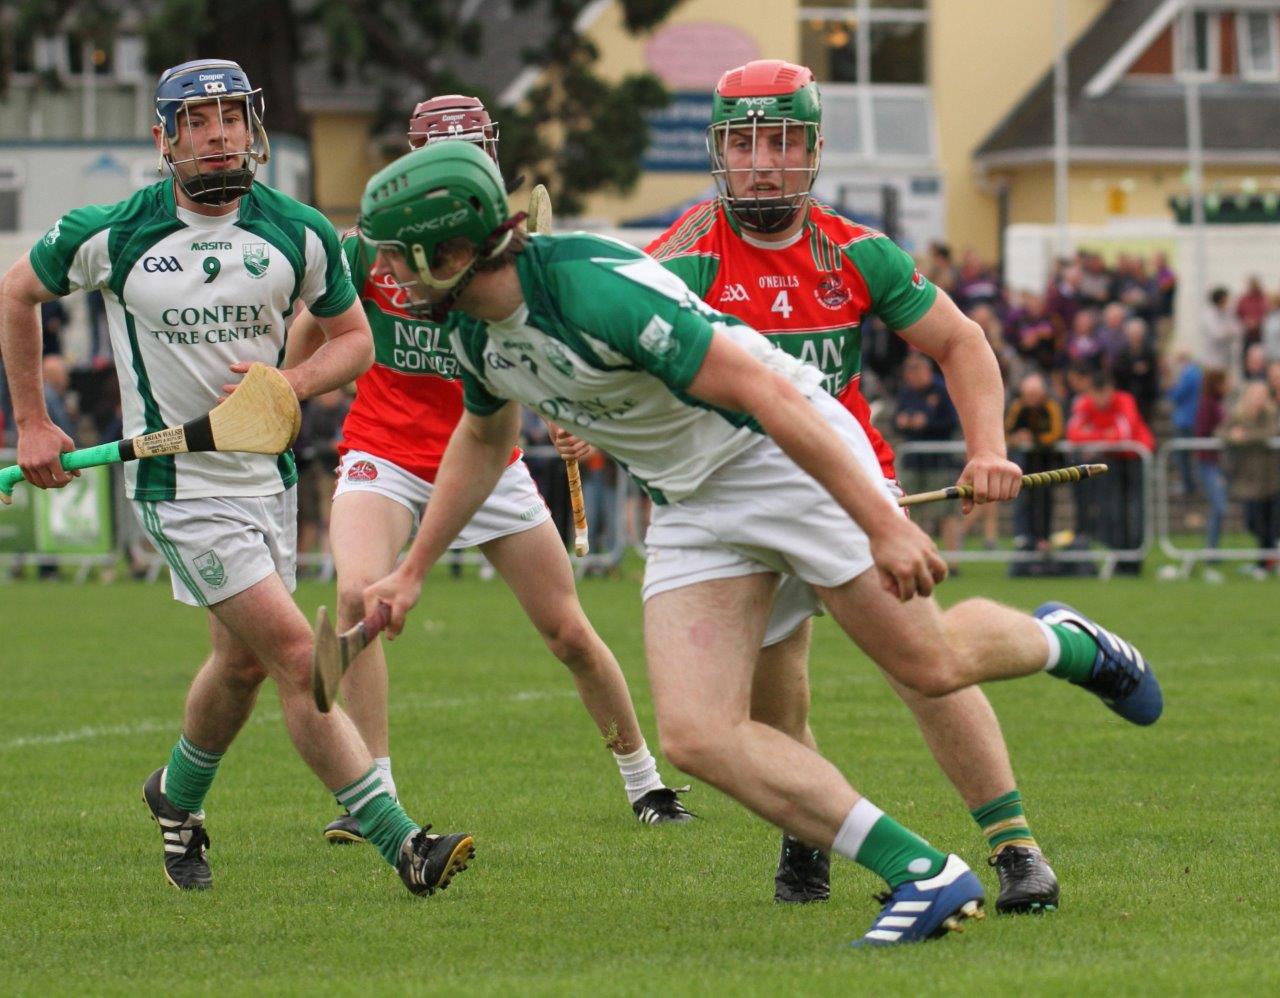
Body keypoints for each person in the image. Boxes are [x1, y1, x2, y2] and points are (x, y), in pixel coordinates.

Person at [356, 137, 1164, 947]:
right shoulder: (471, 332)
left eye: (399, 256)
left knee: (930, 663)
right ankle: (924, 873)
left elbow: (769, 396)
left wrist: (883, 525)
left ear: (452, 249)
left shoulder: (591, 289)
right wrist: (412, 570)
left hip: (780, 458)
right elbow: (482, 439)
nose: (389, 276)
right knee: (697, 734)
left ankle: (1068, 642)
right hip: (691, 501)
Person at [0, 59, 472, 897]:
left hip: (268, 479)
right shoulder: (113, 231)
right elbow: (15, 292)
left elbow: (352, 340)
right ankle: (403, 841)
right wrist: (33, 420)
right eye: (197, 120)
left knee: (243, 665)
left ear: (251, 127)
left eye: (230, 116)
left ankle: (174, 799)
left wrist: (289, 384)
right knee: (297, 655)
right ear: (164, 138)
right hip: (179, 489)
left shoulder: (299, 231)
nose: (218, 133)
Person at [639, 61, 1059, 913]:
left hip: (851, 496)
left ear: (814, 148)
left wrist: (987, 447)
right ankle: (812, 830)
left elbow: (964, 344)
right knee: (770, 690)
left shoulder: (855, 250)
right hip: (735, 505)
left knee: (925, 669)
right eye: (743, 141)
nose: (762, 160)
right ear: (719, 149)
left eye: (781, 140)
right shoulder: (680, 260)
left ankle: (1017, 847)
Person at [285, 95, 688, 844]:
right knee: (354, 596)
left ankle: (646, 780)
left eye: (473, 153)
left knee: (567, 631)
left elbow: (541, 354)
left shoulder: (505, 255)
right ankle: (376, 797)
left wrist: (564, 412)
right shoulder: (365, 249)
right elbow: (319, 321)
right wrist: (288, 385)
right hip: (384, 450)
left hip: (488, 460)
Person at [1065, 371, 1154, 572]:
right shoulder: (1084, 404)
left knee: (1134, 510)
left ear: (1111, 390)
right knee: (1111, 510)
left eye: (1103, 393)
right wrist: (1106, 437)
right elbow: (1073, 433)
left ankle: (1133, 560)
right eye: (1096, 394)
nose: (1100, 399)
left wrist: (1095, 441)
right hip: (1111, 460)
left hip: (1134, 459)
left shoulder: (1125, 400)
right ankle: (1118, 557)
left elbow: (1125, 432)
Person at [1218, 381, 1280, 578]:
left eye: (1262, 395)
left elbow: (1269, 433)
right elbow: (1220, 432)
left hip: (1271, 478)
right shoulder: (1238, 415)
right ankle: (1266, 561)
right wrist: (1232, 436)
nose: (1259, 399)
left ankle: (1266, 563)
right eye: (1256, 395)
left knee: (1271, 523)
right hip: (1247, 479)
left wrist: (1244, 436)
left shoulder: (1271, 414)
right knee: (1253, 522)